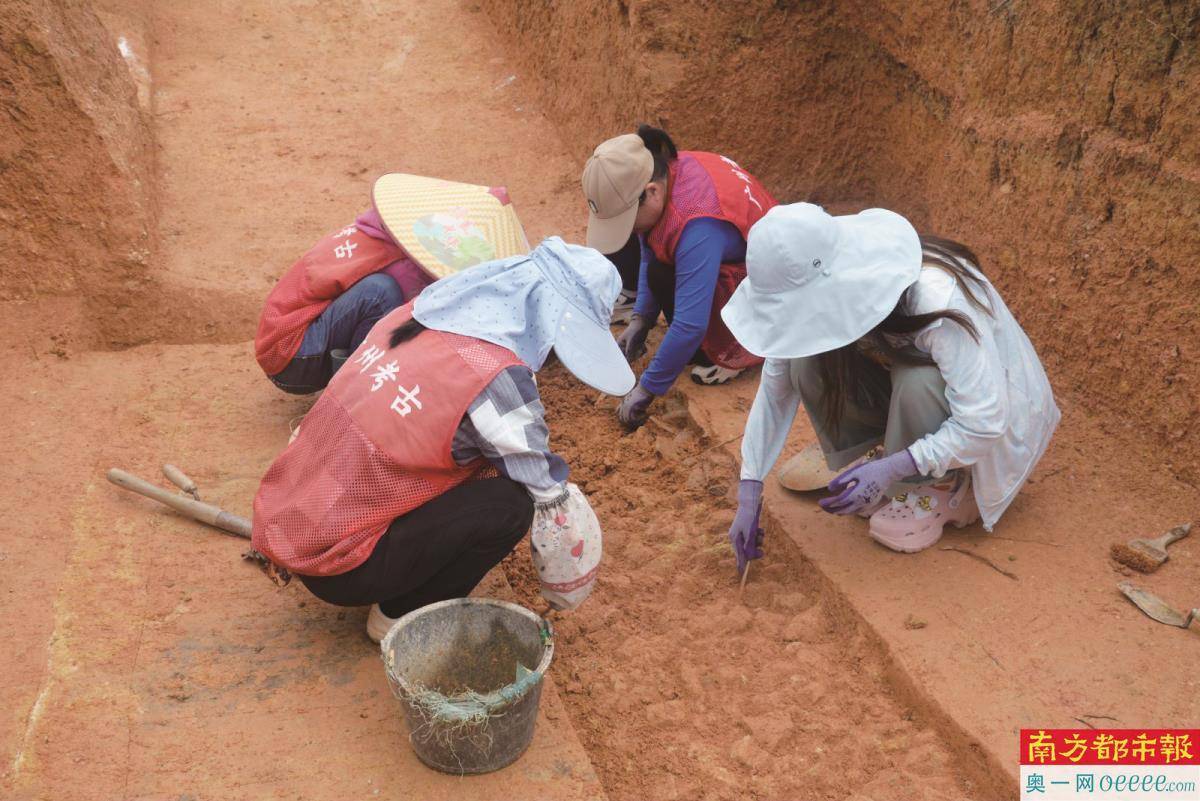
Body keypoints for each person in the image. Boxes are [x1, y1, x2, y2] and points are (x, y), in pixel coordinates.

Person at [251, 237, 635, 642]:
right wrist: (565, 587)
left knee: (476, 459)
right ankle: (399, 614)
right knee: (510, 504)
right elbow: (548, 492)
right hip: (342, 568)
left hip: (293, 518)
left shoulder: (415, 314)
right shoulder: (496, 378)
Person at [721, 203, 1060, 566]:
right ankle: (890, 450)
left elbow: (984, 421)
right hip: (917, 389)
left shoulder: (934, 296)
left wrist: (895, 469)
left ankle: (946, 483)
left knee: (919, 382)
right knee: (805, 362)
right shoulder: (827, 277)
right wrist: (750, 485)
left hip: (992, 421)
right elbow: (776, 389)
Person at [581, 125, 778, 430]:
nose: (630, 228)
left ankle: (734, 349)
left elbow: (689, 325)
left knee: (691, 341)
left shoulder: (697, 223)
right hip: (727, 254)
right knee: (654, 264)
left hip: (766, 292)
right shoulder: (668, 170)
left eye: (627, 218)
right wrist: (641, 320)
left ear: (652, 193)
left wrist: (646, 389)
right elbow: (651, 244)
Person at [254, 204, 433, 394]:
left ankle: (347, 387)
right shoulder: (402, 262)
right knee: (381, 293)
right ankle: (352, 395)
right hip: (291, 357)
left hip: (279, 348)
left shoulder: (369, 229)